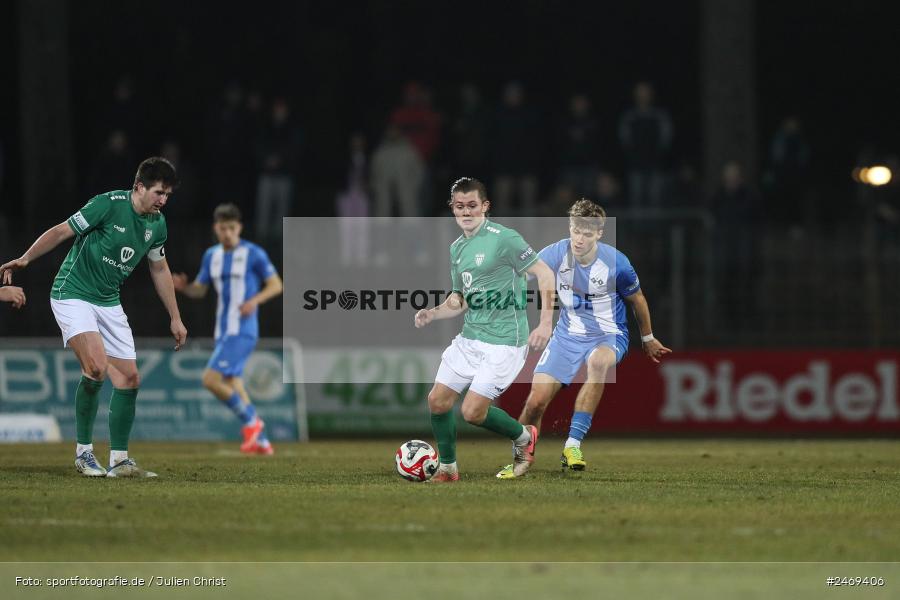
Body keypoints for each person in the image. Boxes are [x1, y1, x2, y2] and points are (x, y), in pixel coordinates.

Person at [0, 157, 186, 478]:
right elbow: (61, 231)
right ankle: (84, 453)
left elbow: (159, 268)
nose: (163, 200)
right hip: (72, 293)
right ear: (139, 187)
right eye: (158, 192)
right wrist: (26, 259)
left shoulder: (157, 225)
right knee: (97, 367)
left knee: (129, 379)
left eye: (168, 194)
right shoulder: (108, 205)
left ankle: (120, 460)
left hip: (108, 302)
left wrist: (175, 317)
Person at [502, 199, 671, 477]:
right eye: (576, 231)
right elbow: (520, 276)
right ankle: (521, 459)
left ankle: (572, 444)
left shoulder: (617, 263)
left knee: (598, 363)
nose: (579, 239)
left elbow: (637, 299)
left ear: (599, 233)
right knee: (535, 402)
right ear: (570, 227)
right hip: (566, 336)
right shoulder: (555, 254)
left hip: (608, 334)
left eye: (587, 233)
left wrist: (648, 337)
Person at [414, 177, 556, 482]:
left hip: (505, 341)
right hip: (470, 338)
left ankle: (523, 436)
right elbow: (460, 299)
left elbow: (544, 274)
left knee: (473, 412)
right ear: (452, 208)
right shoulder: (457, 248)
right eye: (460, 206)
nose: (466, 212)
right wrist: (433, 313)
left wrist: (546, 323)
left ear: (485, 207)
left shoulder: (505, 239)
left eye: (472, 206)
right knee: (437, 401)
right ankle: (448, 469)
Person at [172, 203, 283, 455]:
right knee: (234, 382)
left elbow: (277, 285)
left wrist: (255, 301)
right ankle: (262, 441)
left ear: (239, 228)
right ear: (216, 229)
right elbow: (200, 290)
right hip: (222, 331)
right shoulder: (212, 255)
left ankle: (252, 422)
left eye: (232, 228)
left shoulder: (253, 253)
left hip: (243, 329)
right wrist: (185, 287)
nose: (228, 234)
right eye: (223, 229)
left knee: (210, 380)